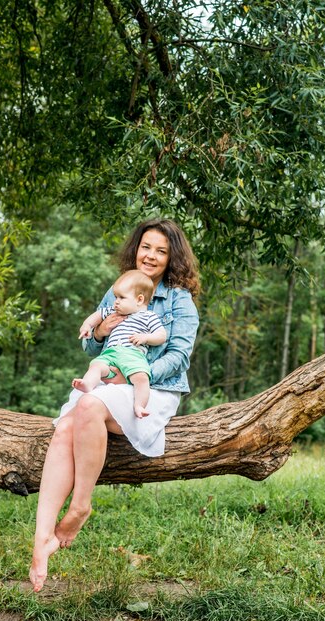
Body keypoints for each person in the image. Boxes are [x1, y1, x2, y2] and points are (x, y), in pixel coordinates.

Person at [29, 218, 200, 592]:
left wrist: (136, 372)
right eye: (146, 247)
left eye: (161, 250)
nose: (151, 256)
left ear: (172, 258)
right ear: (136, 248)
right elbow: (93, 345)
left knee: (88, 406)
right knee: (65, 429)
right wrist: (101, 331)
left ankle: (80, 507)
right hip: (108, 380)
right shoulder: (118, 288)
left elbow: (179, 357)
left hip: (151, 387)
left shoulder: (178, 300)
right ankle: (41, 540)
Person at [73, 269, 167, 418]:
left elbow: (161, 336)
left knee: (142, 378)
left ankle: (139, 405)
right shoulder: (113, 311)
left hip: (132, 355)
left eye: (122, 298)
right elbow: (96, 316)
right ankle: (88, 384)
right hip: (110, 353)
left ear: (139, 300)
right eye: (116, 297)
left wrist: (146, 338)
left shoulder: (149, 316)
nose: (116, 301)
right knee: (96, 365)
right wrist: (86, 326)